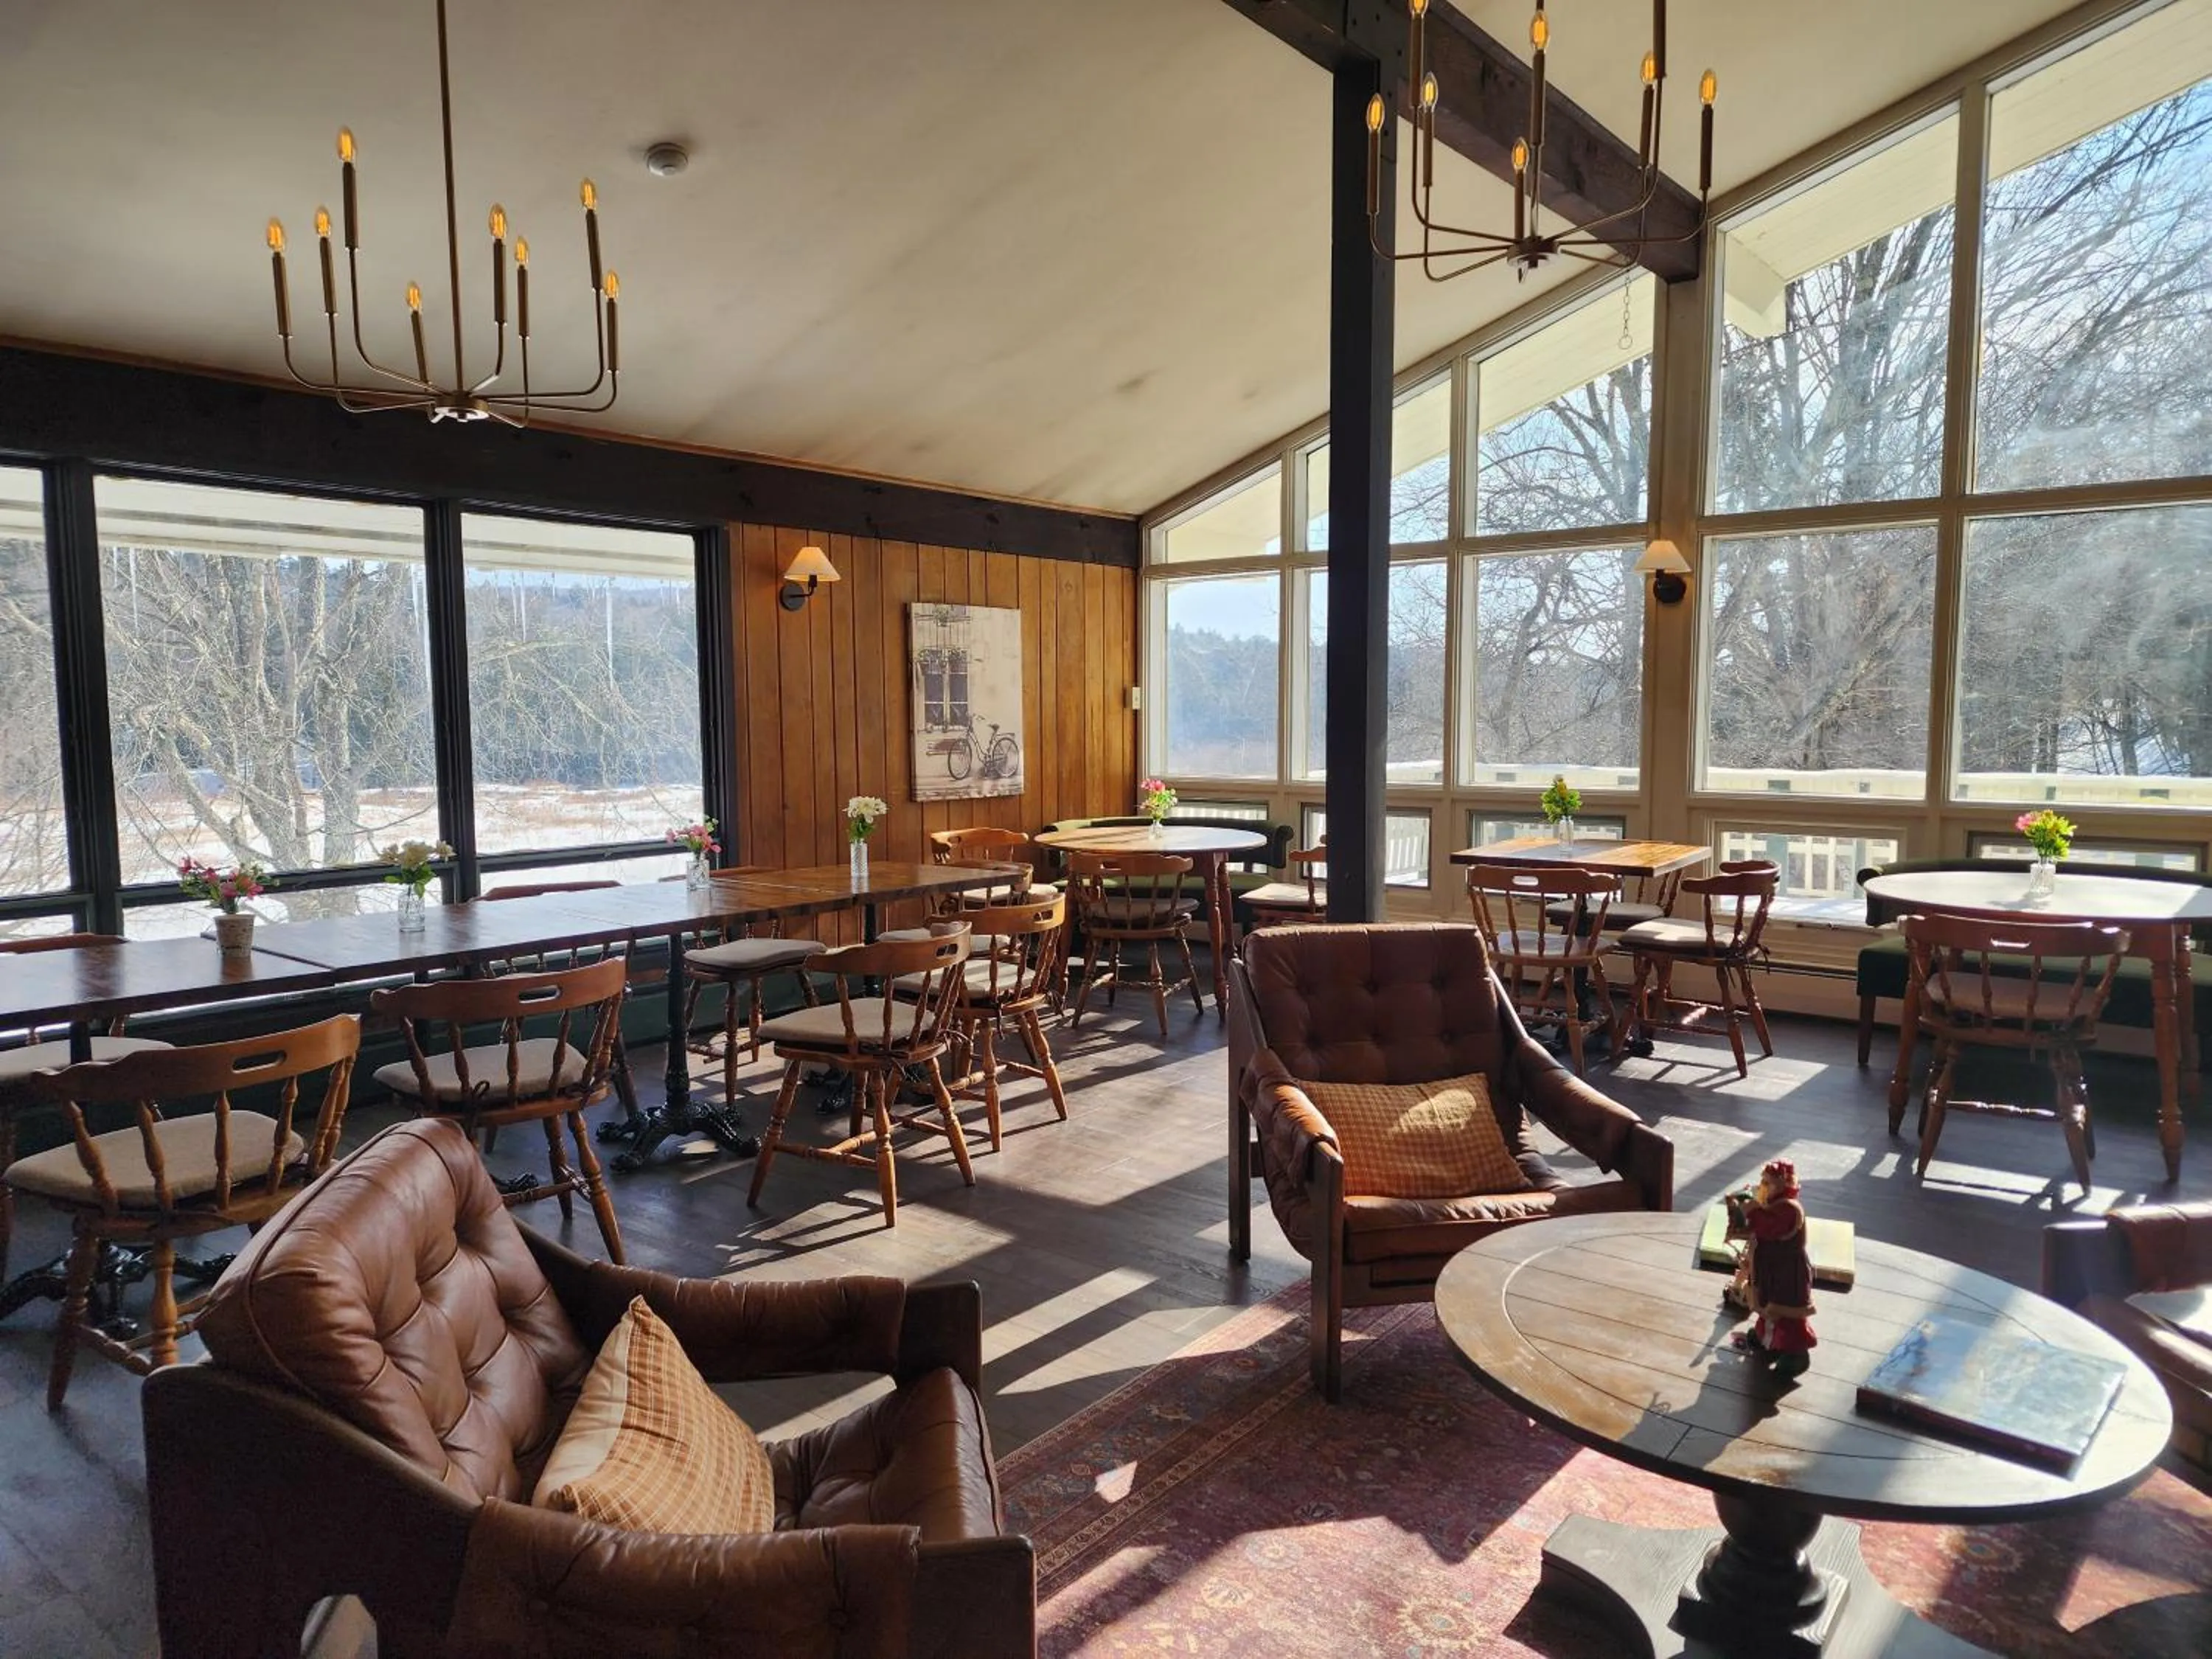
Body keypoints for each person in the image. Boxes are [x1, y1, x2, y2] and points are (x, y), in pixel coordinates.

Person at [1724, 1158, 1817, 1377]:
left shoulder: (1789, 1209)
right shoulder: (1770, 1206)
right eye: (1762, 1181)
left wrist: (1751, 1209)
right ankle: (1767, 1338)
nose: (1763, 1187)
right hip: (1769, 1269)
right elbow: (1755, 1230)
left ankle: (1796, 1354)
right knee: (1766, 1306)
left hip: (1788, 1273)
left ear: (1784, 1185)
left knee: (1786, 1312)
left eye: (1769, 1183)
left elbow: (1768, 1227)